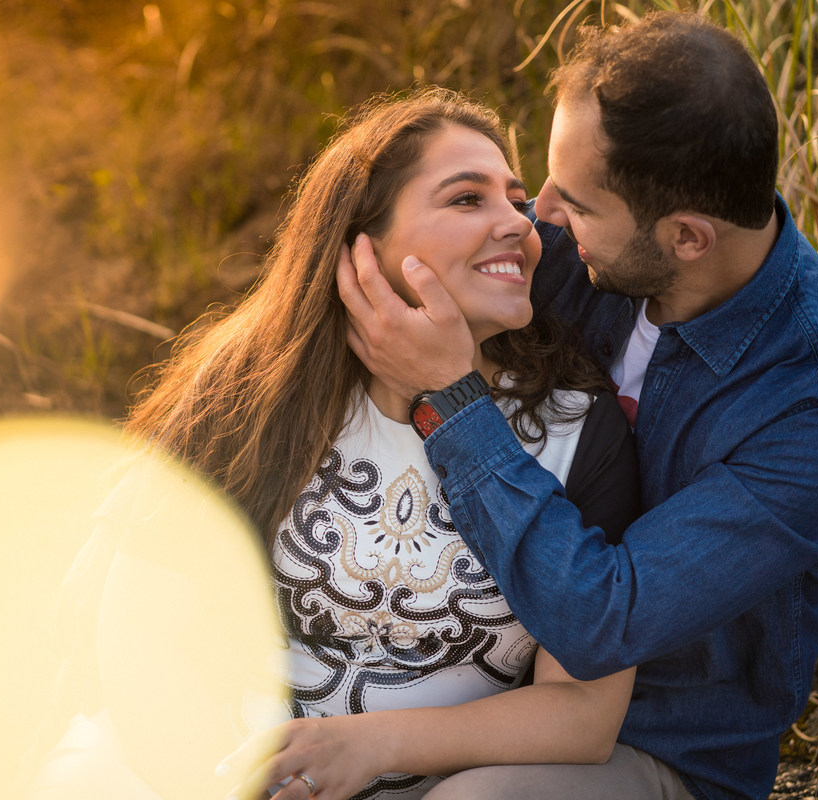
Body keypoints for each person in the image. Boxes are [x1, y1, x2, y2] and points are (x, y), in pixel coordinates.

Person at [339, 11, 818, 800]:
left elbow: (604, 620)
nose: (540, 216)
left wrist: (452, 400)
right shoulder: (586, 252)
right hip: (470, 674)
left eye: (578, 205)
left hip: (653, 748)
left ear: (687, 237)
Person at [125, 87, 644, 800]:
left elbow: (583, 714)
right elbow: (142, 633)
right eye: (467, 199)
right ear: (361, 242)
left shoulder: (580, 428)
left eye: (513, 199)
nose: (518, 226)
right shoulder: (251, 388)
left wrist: (368, 747)